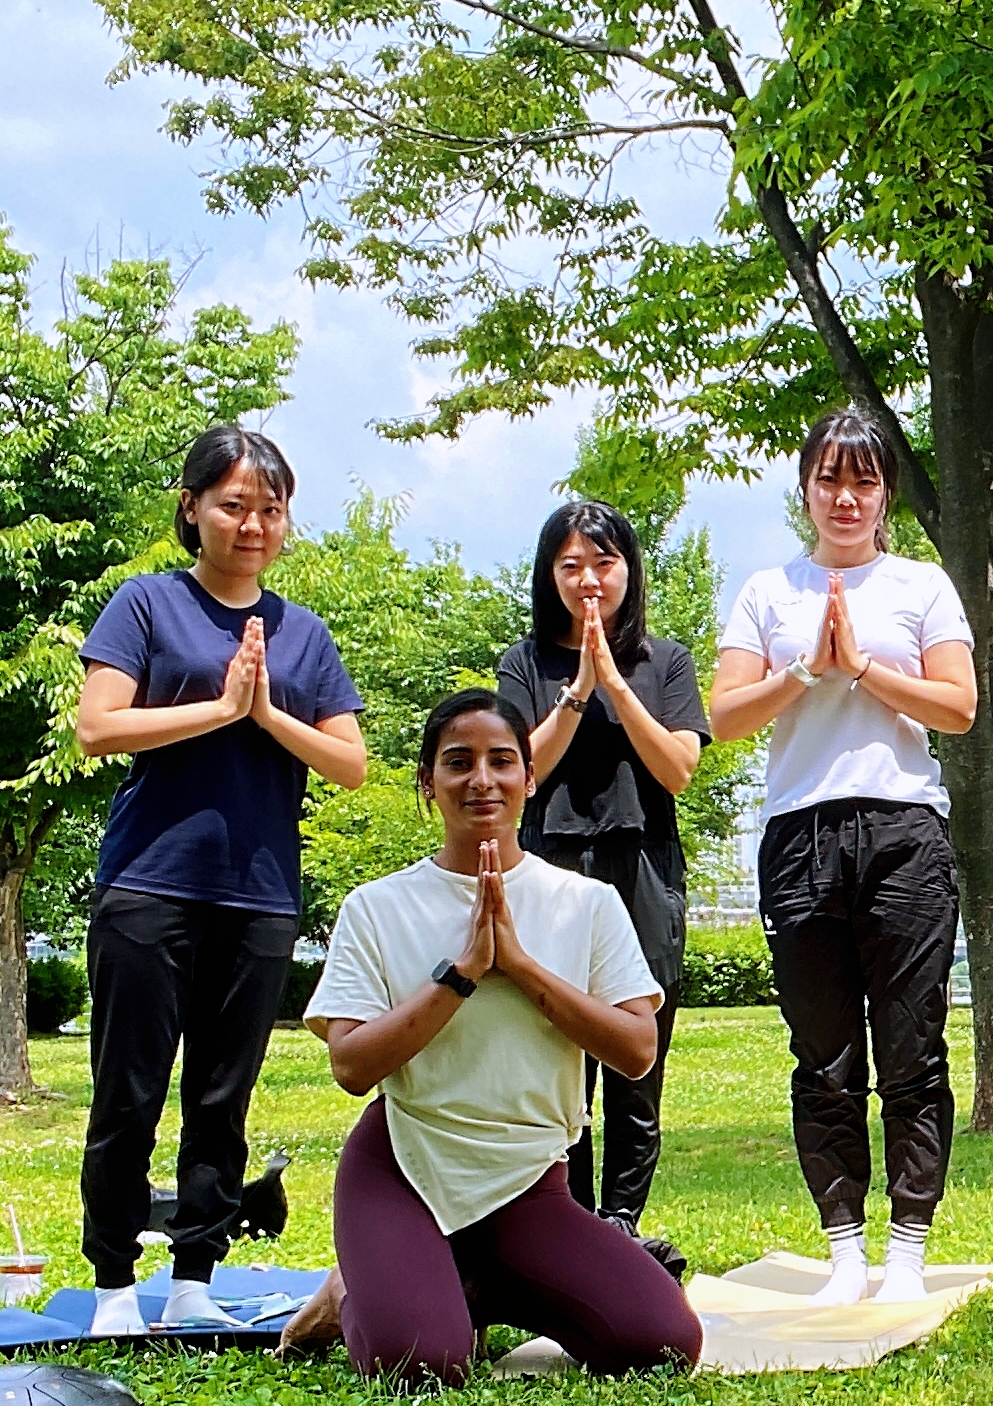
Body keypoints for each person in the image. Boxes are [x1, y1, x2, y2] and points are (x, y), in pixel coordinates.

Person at [288, 690, 702, 1383]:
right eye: (458, 761)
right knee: (418, 1364)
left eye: (501, 760)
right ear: (428, 781)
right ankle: (351, 1292)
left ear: (529, 777)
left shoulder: (586, 903)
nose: (482, 778)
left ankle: (475, 1285)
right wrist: (464, 973)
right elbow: (353, 1065)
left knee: (660, 1342)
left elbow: (636, 1049)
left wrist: (522, 966)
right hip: (405, 1166)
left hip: (528, 1178)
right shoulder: (377, 907)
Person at [74, 426, 368, 1337]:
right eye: (233, 504)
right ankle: (117, 1279)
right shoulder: (147, 604)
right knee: (128, 1086)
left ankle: (197, 1269)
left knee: (220, 1092)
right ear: (193, 507)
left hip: (259, 893)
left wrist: (268, 710)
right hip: (149, 884)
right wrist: (221, 707)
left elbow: (350, 762)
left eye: (269, 508)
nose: (252, 523)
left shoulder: (303, 632)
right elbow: (98, 727)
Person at [711, 410, 977, 1305]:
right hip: (800, 832)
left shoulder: (920, 584)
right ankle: (843, 1249)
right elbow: (724, 716)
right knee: (822, 1054)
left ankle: (907, 1243)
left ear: (886, 493)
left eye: (863, 480)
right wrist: (806, 673)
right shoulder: (766, 590)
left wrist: (862, 667)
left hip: (903, 829)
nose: (846, 497)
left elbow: (959, 705)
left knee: (913, 1047)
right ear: (806, 489)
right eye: (829, 478)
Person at [495, 501, 708, 1236]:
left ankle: (620, 1223)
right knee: (560, 1058)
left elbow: (679, 768)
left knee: (636, 1057)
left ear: (629, 568)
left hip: (642, 866)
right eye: (571, 565)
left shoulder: (666, 661)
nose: (589, 579)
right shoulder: (524, 663)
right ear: (548, 574)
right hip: (552, 867)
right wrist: (579, 686)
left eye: (604, 561)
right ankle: (571, 1224)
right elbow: (522, 770)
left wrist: (618, 683)